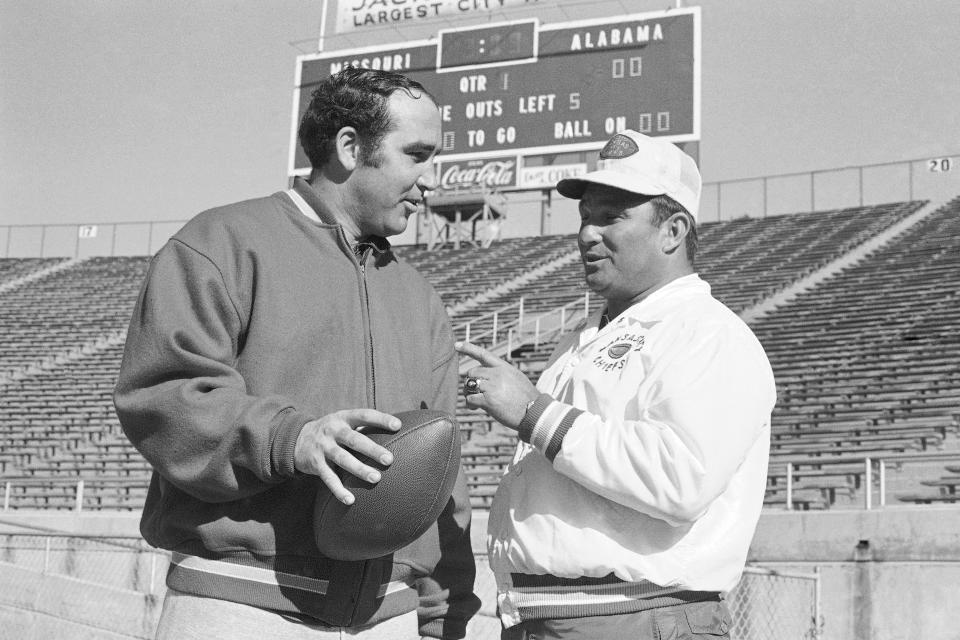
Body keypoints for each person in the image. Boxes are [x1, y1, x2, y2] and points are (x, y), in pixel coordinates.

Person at [114, 67, 479, 640]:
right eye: (417, 155)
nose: (430, 180)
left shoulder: (421, 297)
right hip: (241, 607)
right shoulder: (221, 242)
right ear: (350, 147)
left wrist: (440, 615)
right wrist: (292, 438)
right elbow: (164, 395)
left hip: (391, 617)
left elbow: (438, 474)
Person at [456, 130, 776, 640]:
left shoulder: (709, 334)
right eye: (585, 216)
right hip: (547, 614)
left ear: (672, 231)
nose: (586, 234)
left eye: (611, 216)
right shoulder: (582, 338)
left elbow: (680, 480)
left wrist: (534, 413)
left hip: (637, 616)